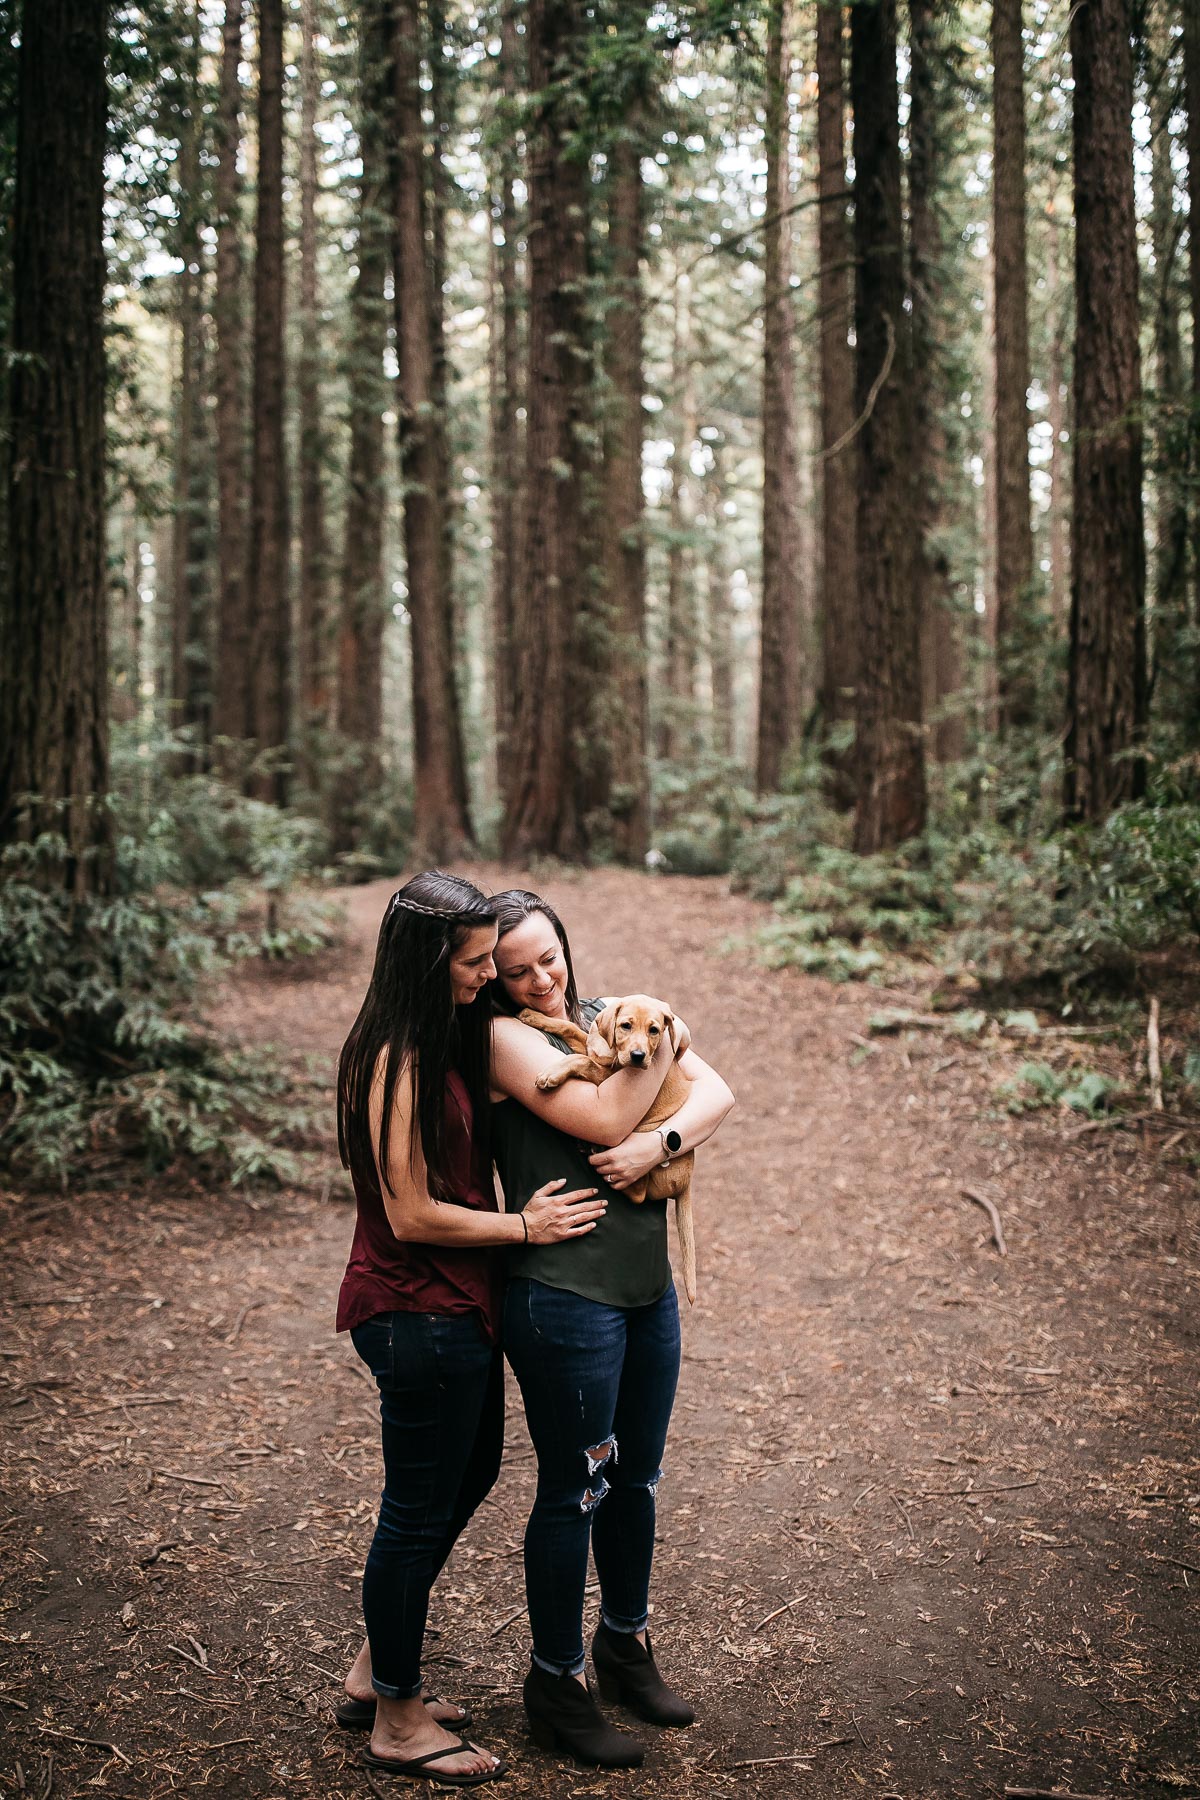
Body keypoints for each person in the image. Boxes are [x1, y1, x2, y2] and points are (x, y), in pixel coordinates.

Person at [334, 871, 607, 1787]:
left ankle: (377, 1672)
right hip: (415, 1310)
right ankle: (398, 1719)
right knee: (415, 1514)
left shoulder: (434, 1037)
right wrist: (525, 1227)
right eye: (475, 962)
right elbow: (409, 1213)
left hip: (454, 1306)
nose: (489, 976)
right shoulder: (395, 1058)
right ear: (427, 963)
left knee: (470, 1475)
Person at [488, 889, 735, 1769]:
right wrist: (662, 1043)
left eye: (548, 957)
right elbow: (600, 1117)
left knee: (637, 1480)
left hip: (644, 1290)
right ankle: (557, 1684)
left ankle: (625, 1645)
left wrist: (660, 1145)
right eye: (515, 970)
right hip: (564, 1299)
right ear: (490, 977)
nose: (540, 980)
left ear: (565, 945)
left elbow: (719, 1092)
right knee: (577, 1489)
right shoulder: (504, 1039)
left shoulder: (609, 1017)